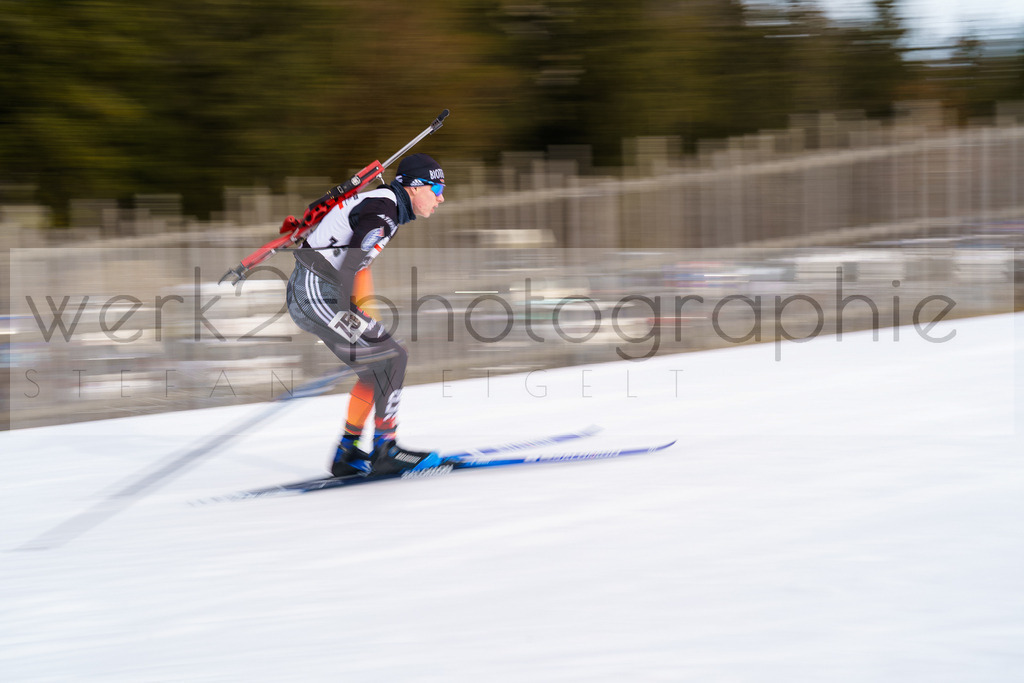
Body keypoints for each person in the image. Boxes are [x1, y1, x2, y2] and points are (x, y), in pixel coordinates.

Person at [285, 153, 446, 477]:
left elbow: (355, 264)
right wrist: (357, 317)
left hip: (319, 294)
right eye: (436, 188)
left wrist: (364, 320)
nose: (441, 198)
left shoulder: (386, 206)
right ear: (415, 187)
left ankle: (347, 452)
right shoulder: (384, 211)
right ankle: (387, 449)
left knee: (378, 369)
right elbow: (350, 265)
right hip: (318, 294)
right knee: (393, 357)